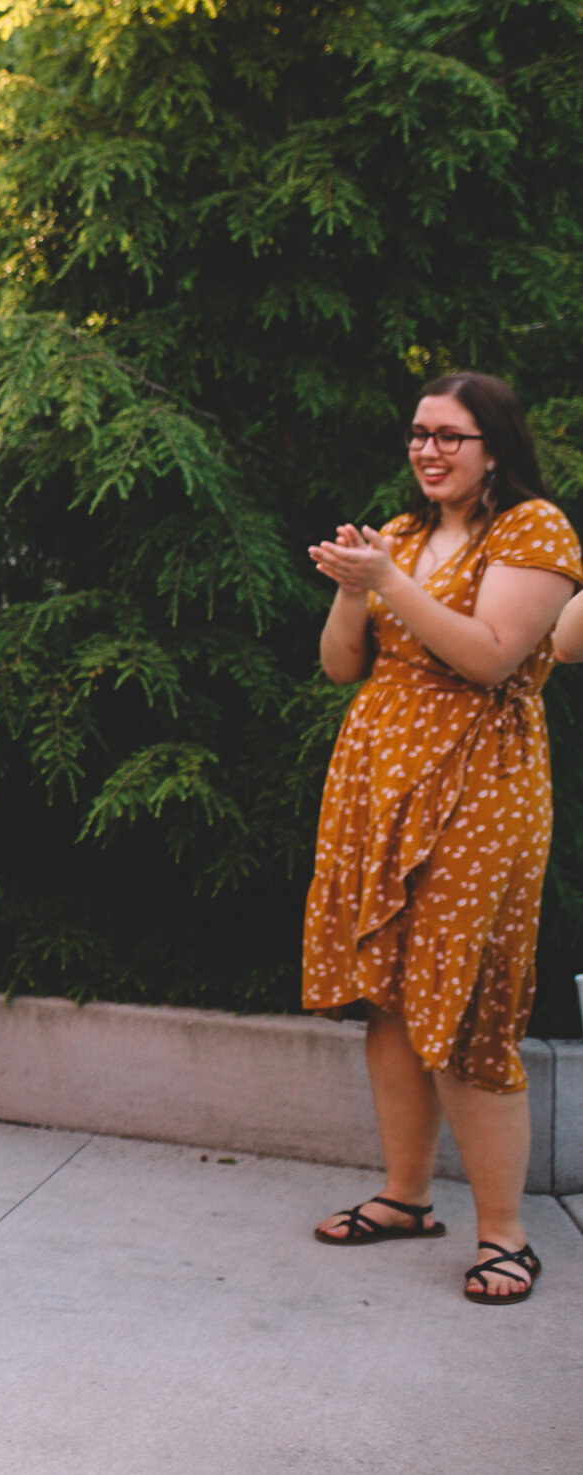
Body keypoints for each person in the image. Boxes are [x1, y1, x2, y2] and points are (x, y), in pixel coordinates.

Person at [303, 372, 580, 1307]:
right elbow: (345, 664)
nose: (429, 449)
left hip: (480, 783)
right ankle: (406, 1194)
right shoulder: (405, 533)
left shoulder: (533, 528)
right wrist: (355, 590)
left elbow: (493, 653)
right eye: (420, 433)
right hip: (379, 778)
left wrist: (386, 582)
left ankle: (504, 1233)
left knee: (469, 1003)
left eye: (450, 436)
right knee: (386, 993)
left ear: (493, 445)